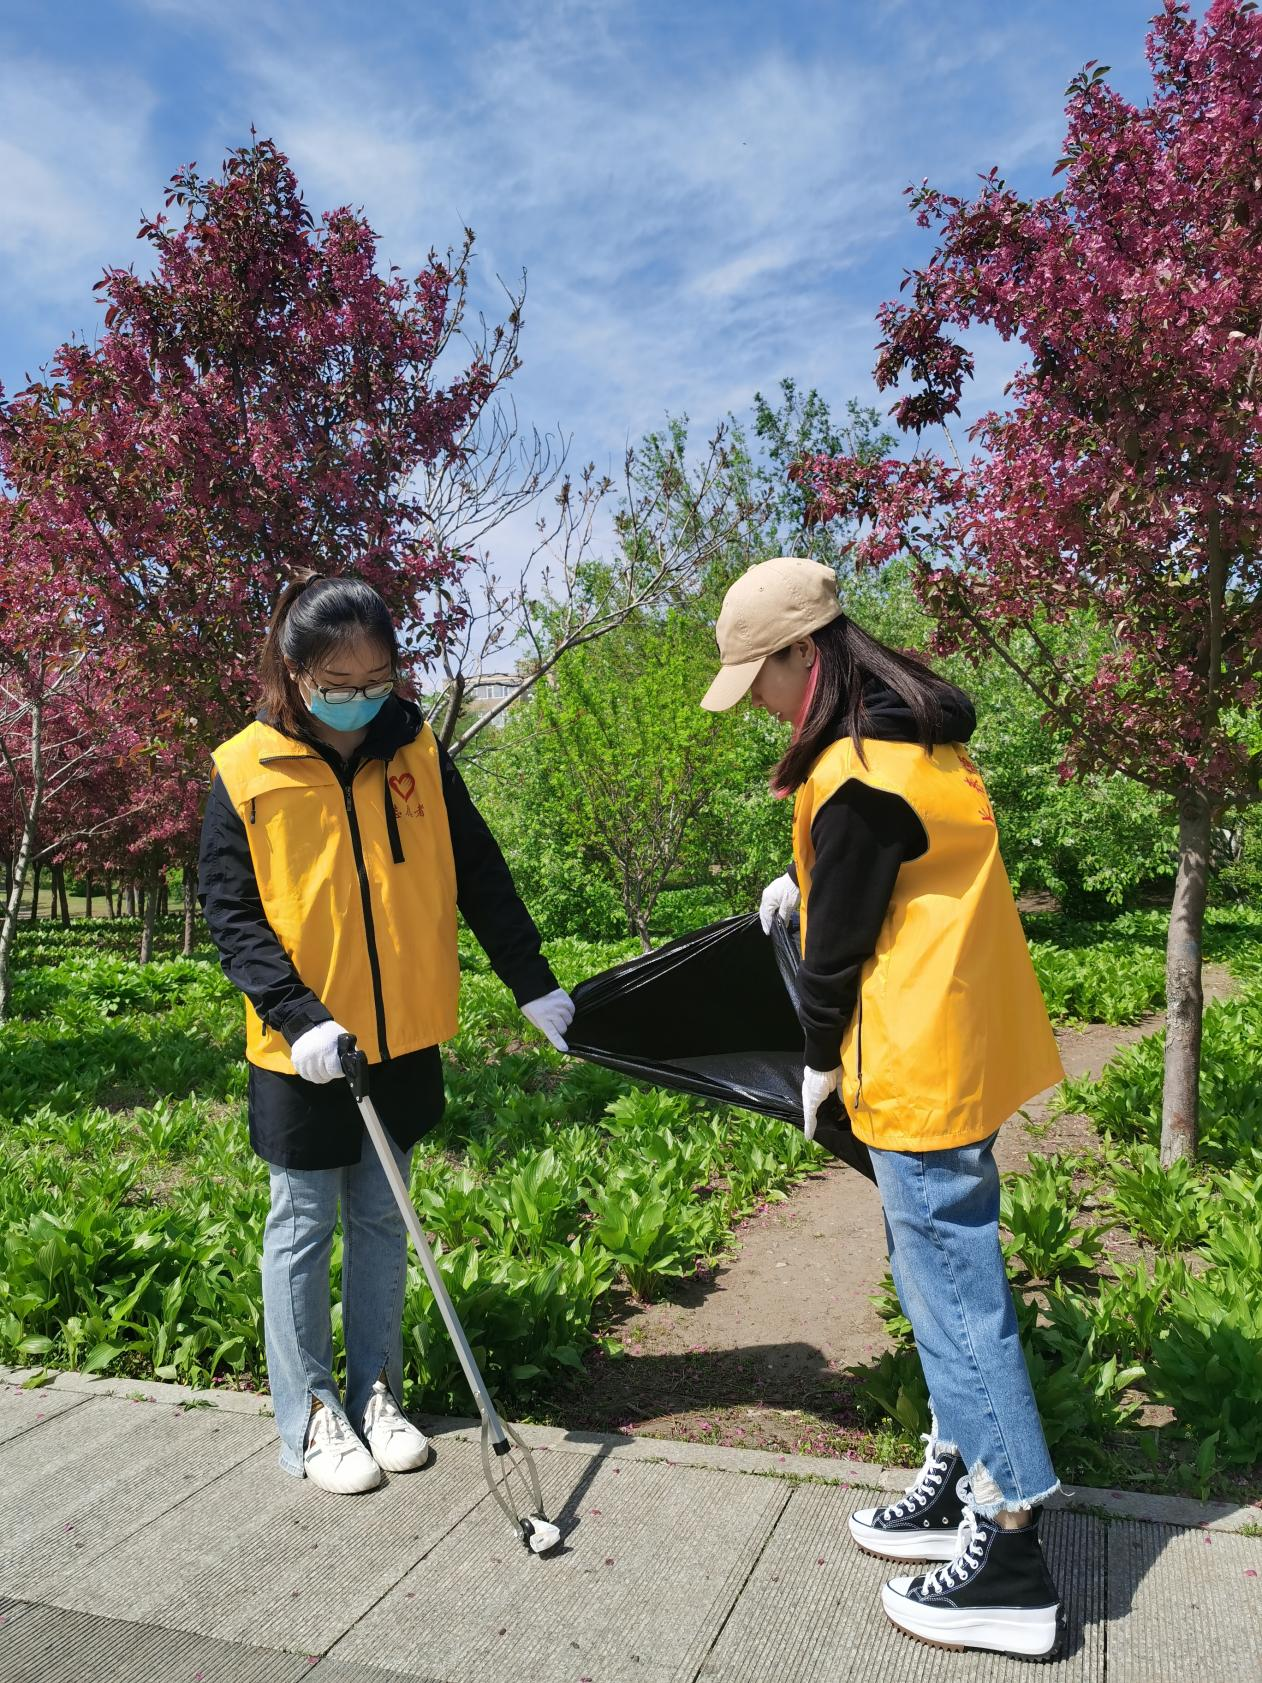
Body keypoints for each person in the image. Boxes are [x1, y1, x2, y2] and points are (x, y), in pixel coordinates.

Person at [701, 557, 1066, 1660]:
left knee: (955, 1296)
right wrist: (813, 878)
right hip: (964, 1040)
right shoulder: (921, 738)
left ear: (801, 654)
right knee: (933, 1273)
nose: (755, 705)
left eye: (758, 680)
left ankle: (1009, 1551)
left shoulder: (856, 771)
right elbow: (902, 877)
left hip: (914, 1058)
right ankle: (959, 1479)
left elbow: (836, 954)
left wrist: (816, 1057)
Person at [199, 573, 574, 1496]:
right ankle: (309, 1417)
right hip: (304, 1049)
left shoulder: (417, 750)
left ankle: (376, 1392)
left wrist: (529, 978)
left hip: (400, 1036)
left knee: (381, 1215)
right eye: (339, 682)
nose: (361, 697)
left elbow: (477, 867)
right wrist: (298, 1017)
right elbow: (232, 914)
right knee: (302, 1225)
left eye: (378, 677)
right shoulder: (243, 768)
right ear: (293, 672)